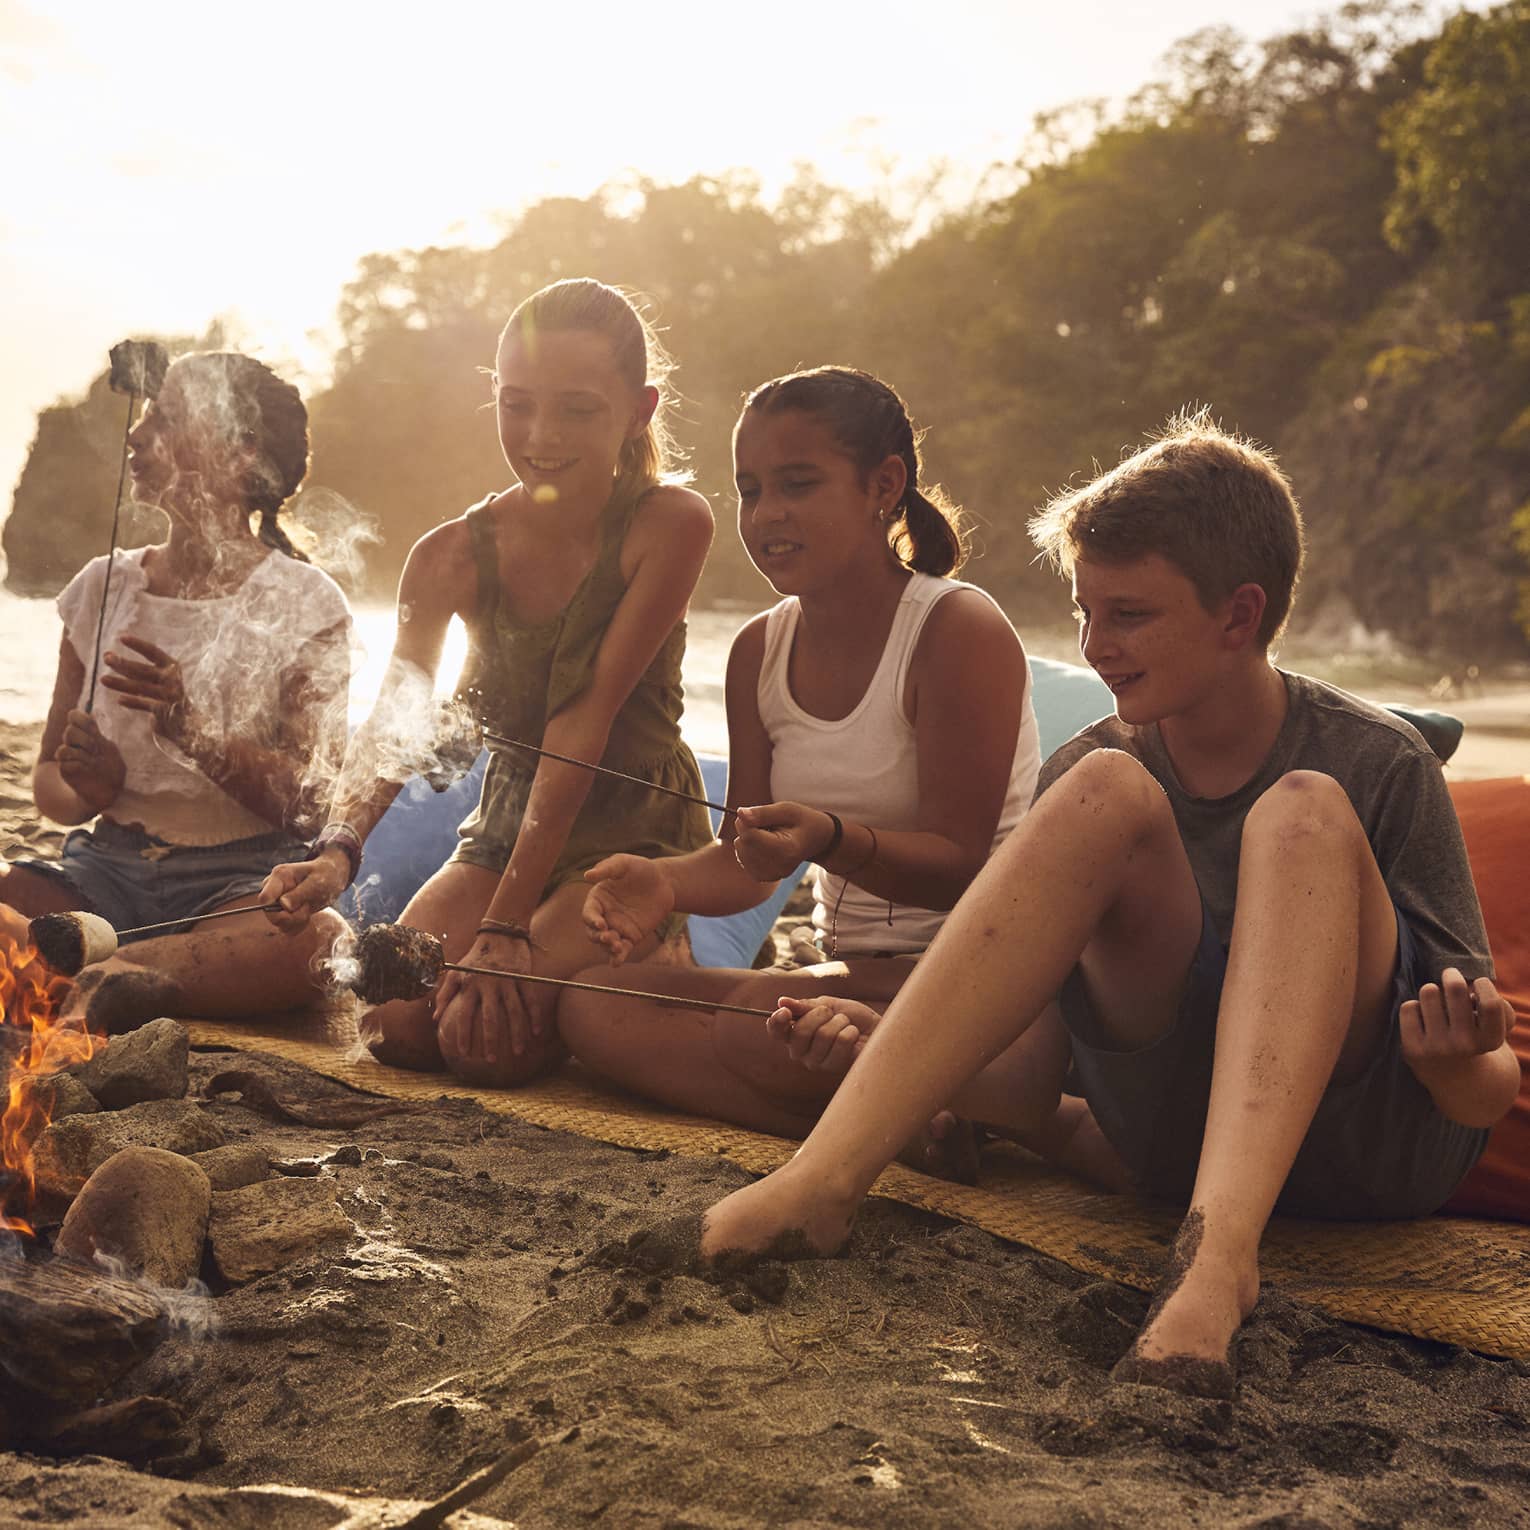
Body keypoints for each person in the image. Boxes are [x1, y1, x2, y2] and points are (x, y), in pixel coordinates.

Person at [692, 409, 1520, 1397]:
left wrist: (1459, 1056)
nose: (1093, 647)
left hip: (1365, 1158)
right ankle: (820, 1186)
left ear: (1239, 616)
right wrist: (890, 1047)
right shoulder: (1099, 768)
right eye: (1084, 612)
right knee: (1102, 786)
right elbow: (1029, 1087)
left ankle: (1219, 1263)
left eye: (1129, 615)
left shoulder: (1379, 762)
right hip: (1166, 1150)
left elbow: (1485, 1095)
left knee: (1301, 811)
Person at [561, 366, 1043, 1148]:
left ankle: (904, 1096)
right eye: (750, 490)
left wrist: (827, 838)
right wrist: (663, 880)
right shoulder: (759, 648)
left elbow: (960, 864)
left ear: (883, 484)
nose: (767, 516)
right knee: (591, 1004)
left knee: (758, 1024)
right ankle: (910, 1120)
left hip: (976, 979)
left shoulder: (957, 630)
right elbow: (747, 859)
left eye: (798, 484)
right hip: (851, 978)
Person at [263, 279, 714, 1086]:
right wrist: (338, 852)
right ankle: (597, 979)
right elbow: (396, 718)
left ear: (639, 410)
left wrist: (507, 927)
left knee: (481, 1041)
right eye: (518, 404)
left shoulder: (670, 524)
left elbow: (585, 719)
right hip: (508, 820)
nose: (541, 436)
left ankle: (649, 961)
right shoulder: (449, 555)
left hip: (632, 826)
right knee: (395, 1021)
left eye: (578, 409)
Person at [1, 351, 351, 1026]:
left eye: (166, 419)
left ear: (242, 455)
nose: (137, 435)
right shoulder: (100, 588)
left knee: (317, 941)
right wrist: (90, 791)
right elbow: (50, 784)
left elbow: (311, 805)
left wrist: (194, 734)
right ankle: (114, 978)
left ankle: (96, 972)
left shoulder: (307, 603)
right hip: (102, 874)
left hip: (238, 885)